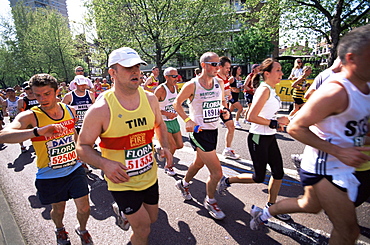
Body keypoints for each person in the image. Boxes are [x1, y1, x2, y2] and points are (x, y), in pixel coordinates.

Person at [249, 25, 370, 245]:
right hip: (326, 167)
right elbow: (295, 126)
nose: (281, 73)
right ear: (351, 58)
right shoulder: (337, 91)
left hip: (348, 166)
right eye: (278, 70)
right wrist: (339, 150)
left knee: (309, 205)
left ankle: (265, 213)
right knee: (348, 232)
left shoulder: (365, 86)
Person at [76, 47, 173, 245]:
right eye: (128, 68)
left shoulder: (150, 99)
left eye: (137, 66)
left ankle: (123, 213)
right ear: (112, 72)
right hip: (122, 181)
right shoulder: (101, 109)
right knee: (144, 229)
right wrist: (104, 164)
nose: (136, 72)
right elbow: (82, 147)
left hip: (149, 175)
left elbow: (159, 124)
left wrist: (165, 146)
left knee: (152, 219)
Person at [0, 74, 93, 245]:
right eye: (37, 95)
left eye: (47, 94)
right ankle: (59, 229)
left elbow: (73, 133)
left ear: (57, 92)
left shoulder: (69, 110)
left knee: (84, 207)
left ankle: (82, 229)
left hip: (74, 168)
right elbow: (3, 135)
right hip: (50, 174)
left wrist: (81, 150)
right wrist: (38, 131)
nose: (42, 99)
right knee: (59, 209)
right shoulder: (31, 116)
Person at [217, 58, 291, 221]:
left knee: (278, 172)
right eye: (278, 70)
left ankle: (271, 206)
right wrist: (275, 122)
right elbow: (251, 116)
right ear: (267, 73)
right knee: (259, 176)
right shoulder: (264, 89)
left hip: (270, 137)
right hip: (258, 137)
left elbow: (266, 113)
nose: (282, 73)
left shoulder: (271, 90)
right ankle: (227, 180)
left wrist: (279, 120)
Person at [173, 52, 226, 220]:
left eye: (219, 64)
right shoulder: (192, 85)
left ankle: (183, 183)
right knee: (217, 173)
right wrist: (188, 120)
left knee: (198, 163)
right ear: (203, 65)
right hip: (199, 132)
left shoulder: (219, 83)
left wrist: (223, 110)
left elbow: (221, 102)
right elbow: (176, 104)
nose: (217, 67)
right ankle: (210, 201)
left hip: (213, 130)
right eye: (213, 64)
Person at [62, 75, 96, 174]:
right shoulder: (69, 96)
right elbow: (62, 109)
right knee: (78, 145)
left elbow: (94, 108)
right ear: (75, 84)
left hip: (87, 125)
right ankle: (82, 163)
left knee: (90, 145)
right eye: (81, 85)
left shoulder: (90, 94)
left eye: (84, 85)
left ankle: (85, 160)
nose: (83, 87)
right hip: (75, 126)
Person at [154, 67, 184, 176]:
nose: (177, 78)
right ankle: (168, 166)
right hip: (163, 123)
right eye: (174, 76)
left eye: (177, 75)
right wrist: (166, 113)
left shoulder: (175, 87)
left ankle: (161, 151)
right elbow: (152, 106)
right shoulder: (161, 89)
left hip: (174, 121)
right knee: (173, 146)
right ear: (166, 77)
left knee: (180, 145)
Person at [217, 56, 240, 160]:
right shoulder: (215, 78)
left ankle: (227, 149)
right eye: (227, 68)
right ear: (220, 67)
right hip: (214, 108)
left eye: (229, 68)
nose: (228, 70)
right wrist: (224, 94)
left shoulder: (226, 78)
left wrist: (229, 94)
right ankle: (205, 154)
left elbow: (226, 91)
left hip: (223, 107)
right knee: (209, 132)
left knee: (231, 127)